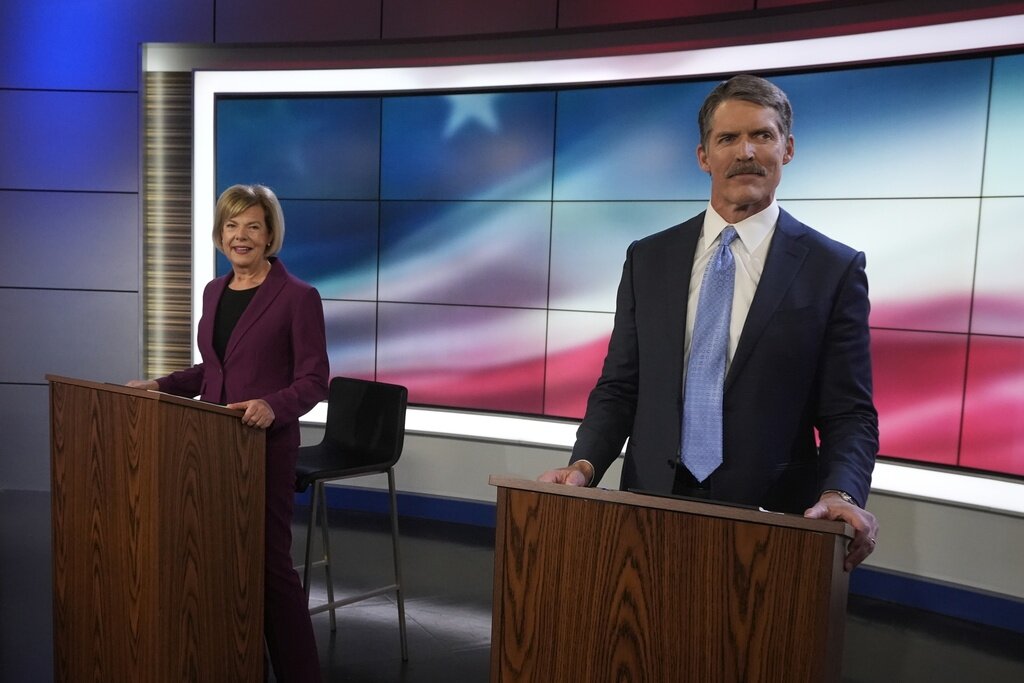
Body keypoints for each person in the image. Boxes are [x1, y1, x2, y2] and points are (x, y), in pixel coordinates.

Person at [539, 75, 879, 571]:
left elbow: (849, 412)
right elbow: (620, 385)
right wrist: (584, 464)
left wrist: (841, 490)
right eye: (728, 138)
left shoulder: (834, 269)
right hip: (648, 506)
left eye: (762, 135)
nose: (746, 151)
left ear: (787, 149)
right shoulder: (648, 258)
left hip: (773, 522)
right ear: (704, 156)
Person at [129, 184, 329, 681]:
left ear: (269, 235)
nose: (241, 236)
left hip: (264, 448)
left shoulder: (299, 297)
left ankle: (300, 672)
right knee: (218, 561)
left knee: (269, 568)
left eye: (253, 226)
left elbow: (313, 380)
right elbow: (212, 371)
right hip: (211, 448)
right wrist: (160, 385)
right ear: (220, 235)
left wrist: (270, 404)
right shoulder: (214, 291)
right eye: (232, 226)